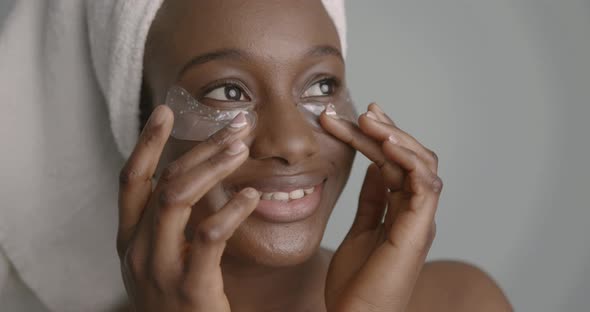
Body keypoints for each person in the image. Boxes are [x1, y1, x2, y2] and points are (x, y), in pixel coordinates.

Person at [0, 0, 511, 311]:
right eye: (227, 93)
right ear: (138, 126)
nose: (292, 142)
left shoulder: (460, 302)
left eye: (322, 83)